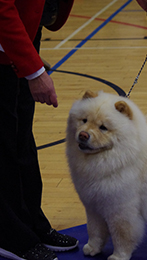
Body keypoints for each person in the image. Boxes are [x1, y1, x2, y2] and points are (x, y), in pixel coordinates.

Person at [0, 1, 78, 260]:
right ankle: (10, 235)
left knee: (22, 137)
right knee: (4, 142)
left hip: (25, 28)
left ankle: (31, 224)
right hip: (5, 33)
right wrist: (34, 72)